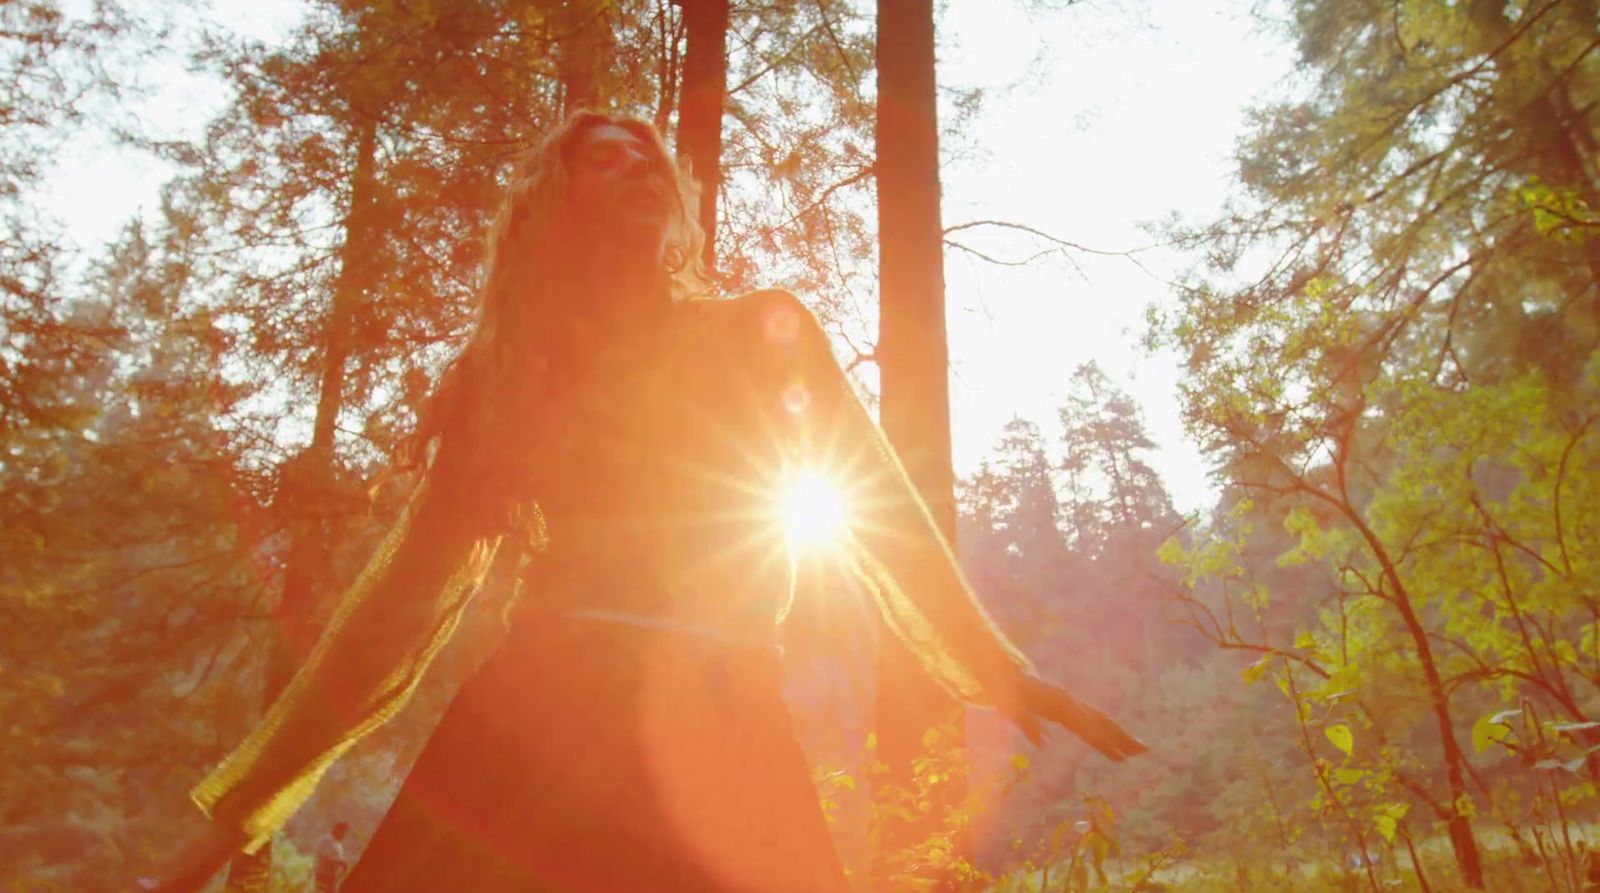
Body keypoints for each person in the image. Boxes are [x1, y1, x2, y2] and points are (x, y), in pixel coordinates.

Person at [156, 111, 1147, 893]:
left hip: (718, 712)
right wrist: (239, 810)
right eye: (607, 159)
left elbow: (882, 506)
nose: (641, 168)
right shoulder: (504, 377)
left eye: (651, 159)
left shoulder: (761, 331)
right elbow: (399, 605)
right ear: (555, 203)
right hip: (538, 715)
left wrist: (995, 666)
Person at [314, 822, 350, 893]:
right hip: (323, 874)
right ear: (338, 830)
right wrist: (340, 862)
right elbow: (325, 857)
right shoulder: (327, 841)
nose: (344, 835)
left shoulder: (338, 845)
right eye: (343, 833)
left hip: (332, 876)